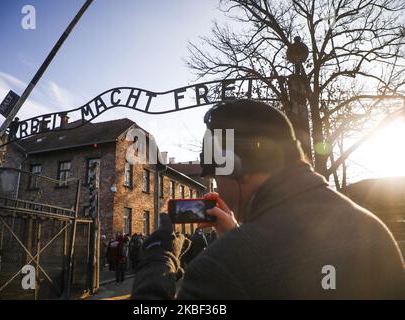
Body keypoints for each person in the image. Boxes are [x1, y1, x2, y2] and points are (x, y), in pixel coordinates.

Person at [131, 99, 405, 299]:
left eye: (215, 173)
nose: (215, 185)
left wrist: (158, 258)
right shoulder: (373, 229)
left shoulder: (220, 267)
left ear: (236, 166)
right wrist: (238, 236)